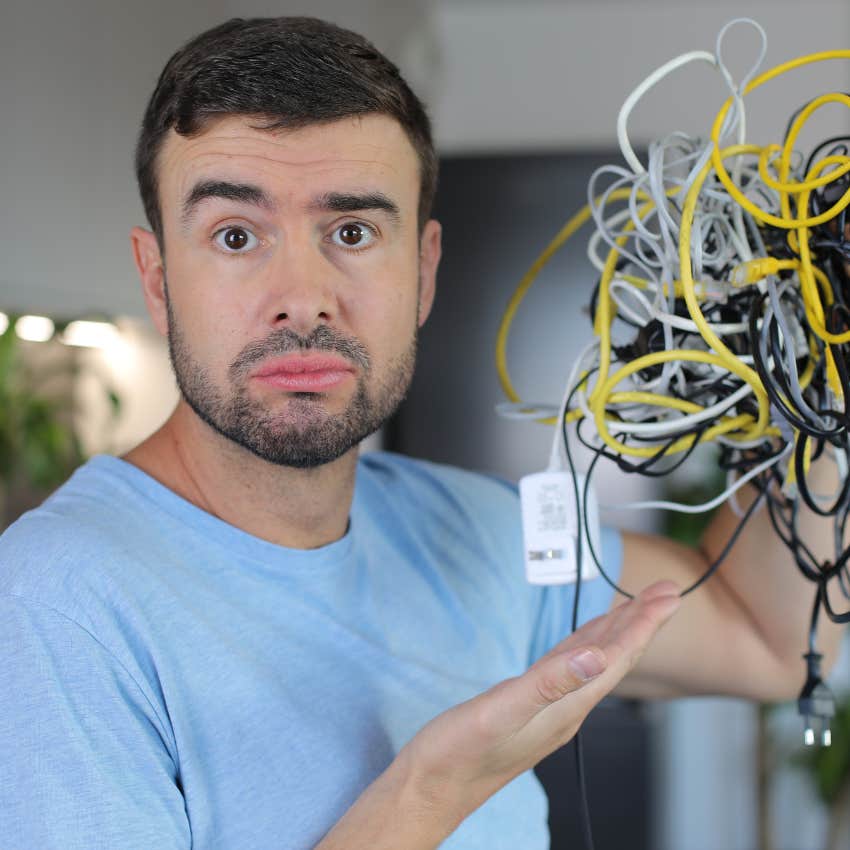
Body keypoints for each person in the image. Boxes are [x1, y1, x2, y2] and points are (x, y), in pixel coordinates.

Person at [0, 16, 844, 850]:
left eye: (353, 232)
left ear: (424, 272)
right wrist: (427, 793)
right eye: (235, 235)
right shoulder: (57, 605)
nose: (303, 295)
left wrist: (809, 352)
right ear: (157, 280)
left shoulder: (472, 531)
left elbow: (765, 635)